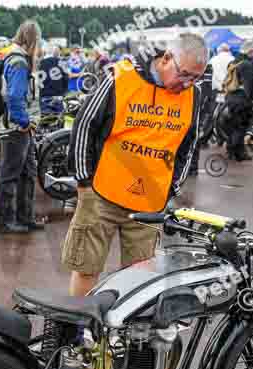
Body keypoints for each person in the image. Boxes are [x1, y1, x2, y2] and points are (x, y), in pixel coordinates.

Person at [64, 33, 207, 302]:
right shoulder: (119, 77)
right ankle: (74, 332)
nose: (187, 84)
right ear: (166, 58)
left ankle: (123, 340)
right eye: (184, 74)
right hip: (101, 196)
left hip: (149, 205)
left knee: (138, 279)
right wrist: (84, 184)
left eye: (196, 78)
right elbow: (85, 125)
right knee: (86, 269)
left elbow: (188, 145)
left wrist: (170, 189)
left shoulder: (193, 95)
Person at [0, 20, 44, 234]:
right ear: (32, 39)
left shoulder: (16, 59)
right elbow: (14, 96)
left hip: (19, 127)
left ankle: (25, 217)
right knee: (10, 174)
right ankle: (6, 221)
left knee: (27, 172)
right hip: (16, 128)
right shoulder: (19, 62)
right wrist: (25, 121)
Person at [223, 40, 253, 161]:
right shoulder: (247, 65)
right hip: (241, 99)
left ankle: (232, 150)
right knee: (241, 127)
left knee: (232, 125)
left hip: (230, 97)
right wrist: (252, 100)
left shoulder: (233, 62)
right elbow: (249, 85)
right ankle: (237, 152)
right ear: (250, 51)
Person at [37, 44, 68, 115]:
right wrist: (64, 92)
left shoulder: (40, 63)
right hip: (58, 94)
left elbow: (38, 82)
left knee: (45, 120)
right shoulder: (61, 62)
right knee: (58, 119)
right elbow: (66, 78)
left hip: (44, 95)